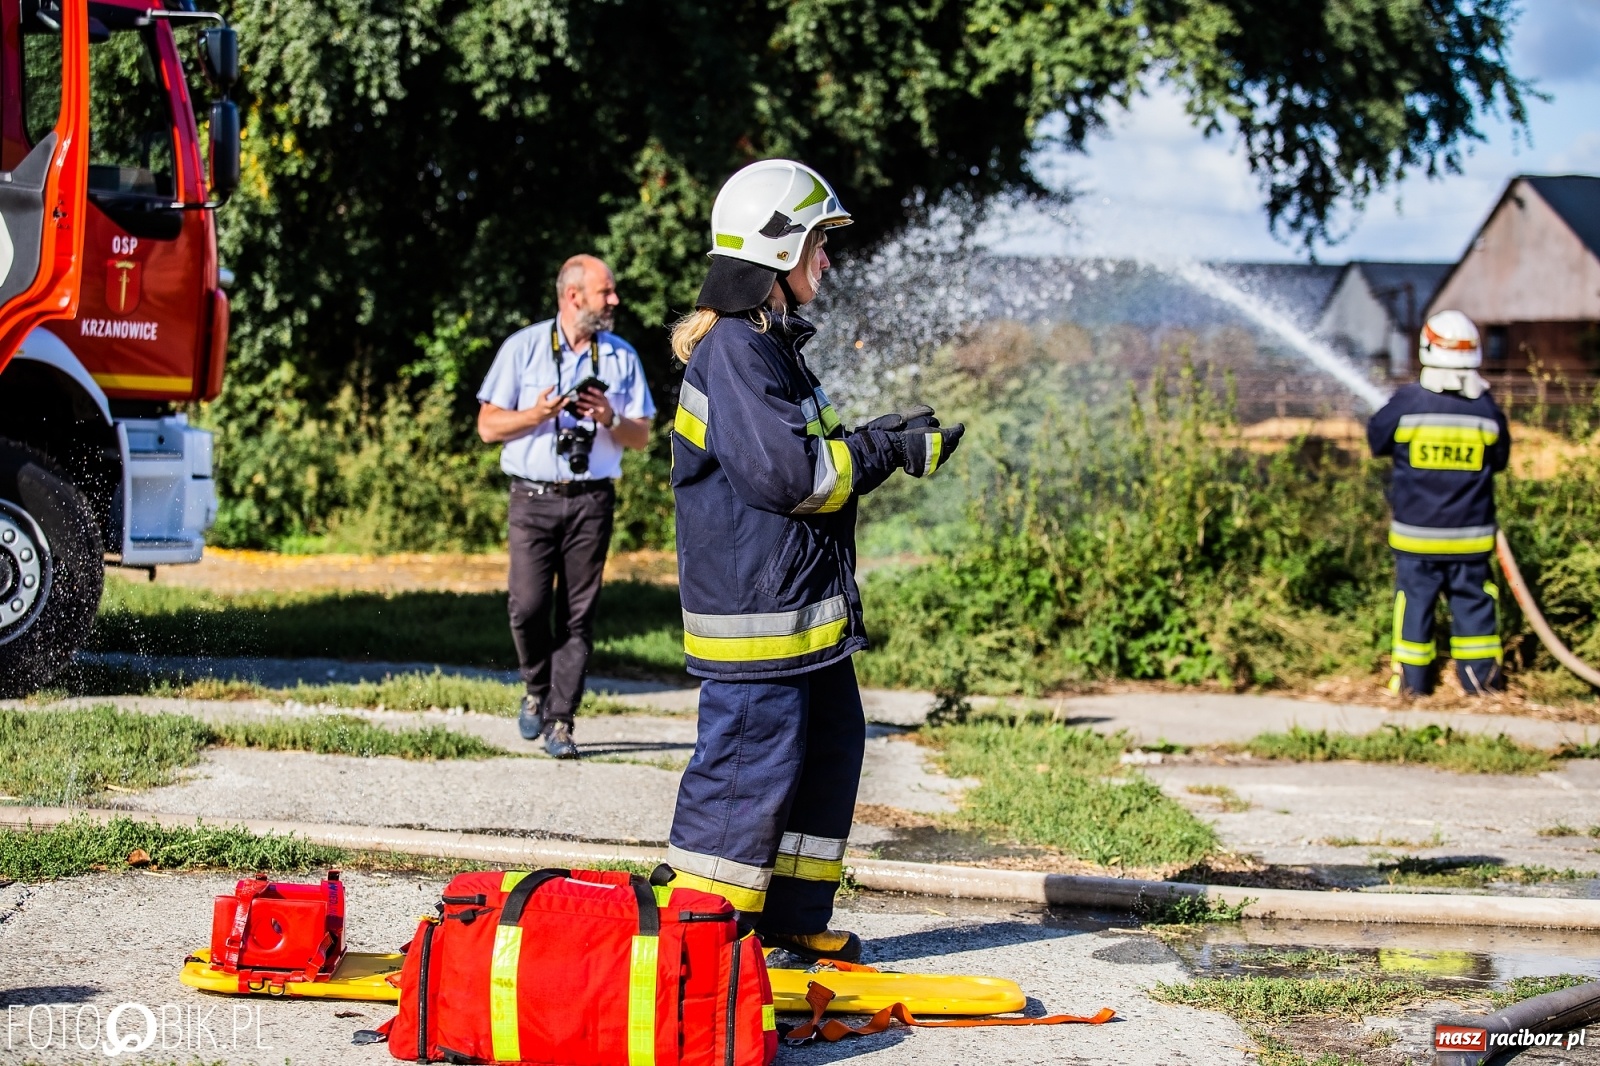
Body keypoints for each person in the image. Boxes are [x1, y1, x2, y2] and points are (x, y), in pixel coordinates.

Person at [661, 159, 965, 962]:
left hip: (802, 615)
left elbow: (809, 454)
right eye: (816, 244)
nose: (826, 260)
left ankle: (790, 919)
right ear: (774, 252)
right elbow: (791, 477)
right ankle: (697, 947)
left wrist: (886, 438)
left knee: (830, 752)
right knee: (743, 780)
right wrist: (883, 449)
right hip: (758, 620)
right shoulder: (733, 350)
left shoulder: (771, 347)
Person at [477, 254, 656, 757]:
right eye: (607, 292)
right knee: (527, 607)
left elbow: (639, 437)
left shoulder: (620, 357)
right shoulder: (524, 348)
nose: (615, 300)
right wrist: (536, 414)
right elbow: (488, 427)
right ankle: (535, 688)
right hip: (531, 498)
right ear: (574, 296)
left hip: (591, 501)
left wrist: (609, 418)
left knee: (579, 617)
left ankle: (561, 722)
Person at [1368, 309, 1512, 697]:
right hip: (1471, 540)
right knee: (1475, 609)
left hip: (1416, 540)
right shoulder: (1486, 408)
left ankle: (1411, 689)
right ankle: (1480, 688)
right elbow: (1500, 460)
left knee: (1414, 610)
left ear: (1427, 348)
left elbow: (1376, 440)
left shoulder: (1407, 402)